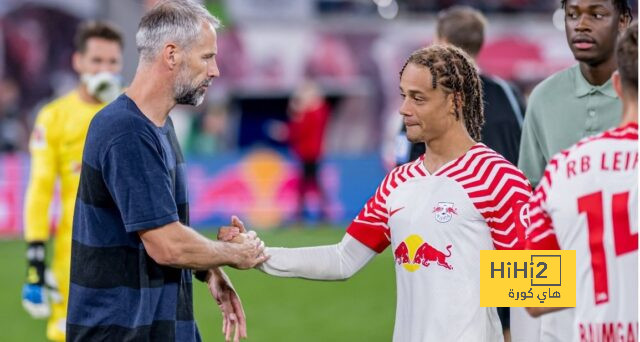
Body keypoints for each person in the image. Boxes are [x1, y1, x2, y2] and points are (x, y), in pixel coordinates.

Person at [225, 45, 532, 341]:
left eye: (418, 98)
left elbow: (535, 294)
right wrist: (258, 256)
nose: (404, 109)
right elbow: (343, 259)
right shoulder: (399, 181)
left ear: (454, 101)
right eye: (403, 96)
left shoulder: (499, 178)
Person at [66, 1, 267, 341]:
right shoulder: (126, 131)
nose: (215, 70)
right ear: (171, 55)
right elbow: (165, 245)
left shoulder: (157, 124)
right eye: (207, 57)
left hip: (161, 328)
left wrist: (208, 266)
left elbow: (162, 226)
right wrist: (235, 254)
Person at [515, 0, 631, 340]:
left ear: (624, 20)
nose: (581, 24)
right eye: (572, 14)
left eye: (596, 15)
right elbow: (530, 202)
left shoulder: (634, 97)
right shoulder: (543, 98)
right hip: (563, 299)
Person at [21, 21, 124, 342]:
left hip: (130, 255)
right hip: (75, 257)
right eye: (97, 61)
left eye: (112, 62)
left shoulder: (134, 112)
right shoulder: (53, 117)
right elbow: (39, 189)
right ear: (78, 62)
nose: (104, 69)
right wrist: (35, 258)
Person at [397, 5, 525, 167]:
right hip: (505, 189)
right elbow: (526, 150)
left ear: (443, 43)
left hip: (447, 189)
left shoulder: (427, 94)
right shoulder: (508, 93)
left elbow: (404, 162)